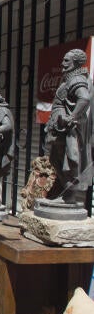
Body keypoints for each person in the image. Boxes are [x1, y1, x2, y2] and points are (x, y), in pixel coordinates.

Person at [45, 48, 94, 203]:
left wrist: (71, 117)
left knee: (67, 160)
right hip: (60, 127)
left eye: (66, 60)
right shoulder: (72, 77)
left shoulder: (76, 78)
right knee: (56, 159)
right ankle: (67, 192)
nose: (62, 63)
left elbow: (84, 99)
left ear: (76, 63)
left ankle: (69, 196)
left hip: (67, 129)